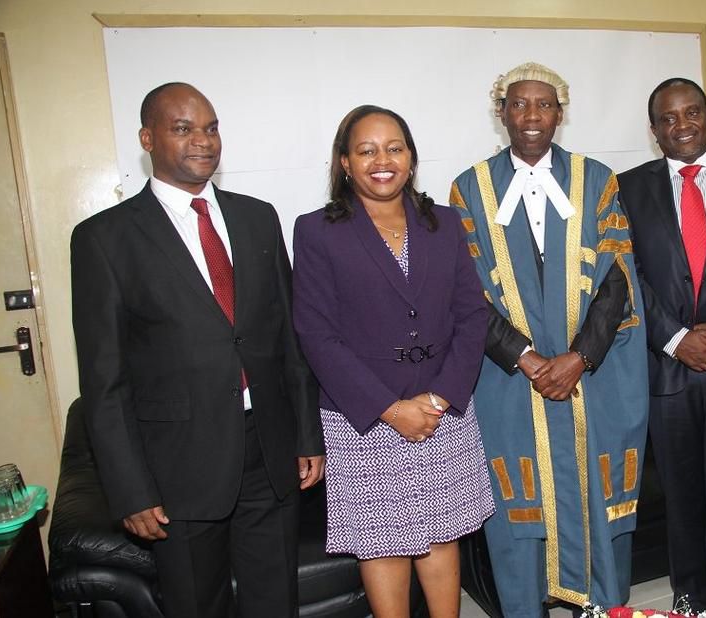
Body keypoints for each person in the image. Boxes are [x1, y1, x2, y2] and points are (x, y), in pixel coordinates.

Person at [71, 82, 324, 618]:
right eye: (183, 128)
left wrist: (307, 434)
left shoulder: (258, 217)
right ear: (148, 138)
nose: (203, 141)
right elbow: (103, 380)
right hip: (177, 466)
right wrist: (130, 489)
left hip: (269, 452)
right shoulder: (104, 238)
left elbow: (288, 339)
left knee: (275, 603)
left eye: (210, 128)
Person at [449, 62, 649, 616]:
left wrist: (579, 357)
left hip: (590, 376)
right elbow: (465, 291)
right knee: (520, 499)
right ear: (501, 113)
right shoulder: (471, 188)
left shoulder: (596, 179)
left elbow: (618, 278)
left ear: (560, 113)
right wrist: (527, 358)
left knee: (594, 489)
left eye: (543, 104)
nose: (531, 116)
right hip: (512, 378)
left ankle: (600, 606)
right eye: (518, 104)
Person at [291, 105, 492, 618]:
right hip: (364, 419)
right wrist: (389, 408)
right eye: (367, 150)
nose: (382, 161)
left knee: (443, 534)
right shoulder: (318, 230)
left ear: (411, 157)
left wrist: (439, 397)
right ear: (345, 162)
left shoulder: (443, 223)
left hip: (442, 410)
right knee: (382, 542)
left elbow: (472, 315)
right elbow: (316, 333)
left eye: (394, 148)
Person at [617, 78, 706, 618]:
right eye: (669, 118)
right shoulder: (628, 188)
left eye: (692, 112)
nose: (683, 125)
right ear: (654, 130)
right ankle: (689, 597)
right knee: (681, 495)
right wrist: (676, 339)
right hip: (667, 368)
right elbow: (626, 274)